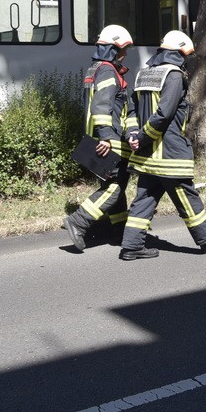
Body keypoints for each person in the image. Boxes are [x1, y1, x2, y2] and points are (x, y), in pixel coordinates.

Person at [118, 30, 206, 260]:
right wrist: (143, 137)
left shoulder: (143, 74)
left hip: (147, 155)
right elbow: (164, 114)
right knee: (185, 194)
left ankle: (131, 246)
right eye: (184, 56)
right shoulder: (174, 76)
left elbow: (129, 109)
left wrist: (133, 133)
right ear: (178, 53)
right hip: (168, 152)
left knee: (145, 197)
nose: (186, 61)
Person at [63, 25, 138, 252]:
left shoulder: (96, 68)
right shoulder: (107, 71)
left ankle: (118, 230)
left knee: (114, 186)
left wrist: (131, 132)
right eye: (122, 50)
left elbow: (123, 108)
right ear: (112, 49)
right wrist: (106, 137)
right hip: (108, 140)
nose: (124, 54)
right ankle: (78, 221)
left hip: (98, 138)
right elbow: (102, 106)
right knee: (114, 187)